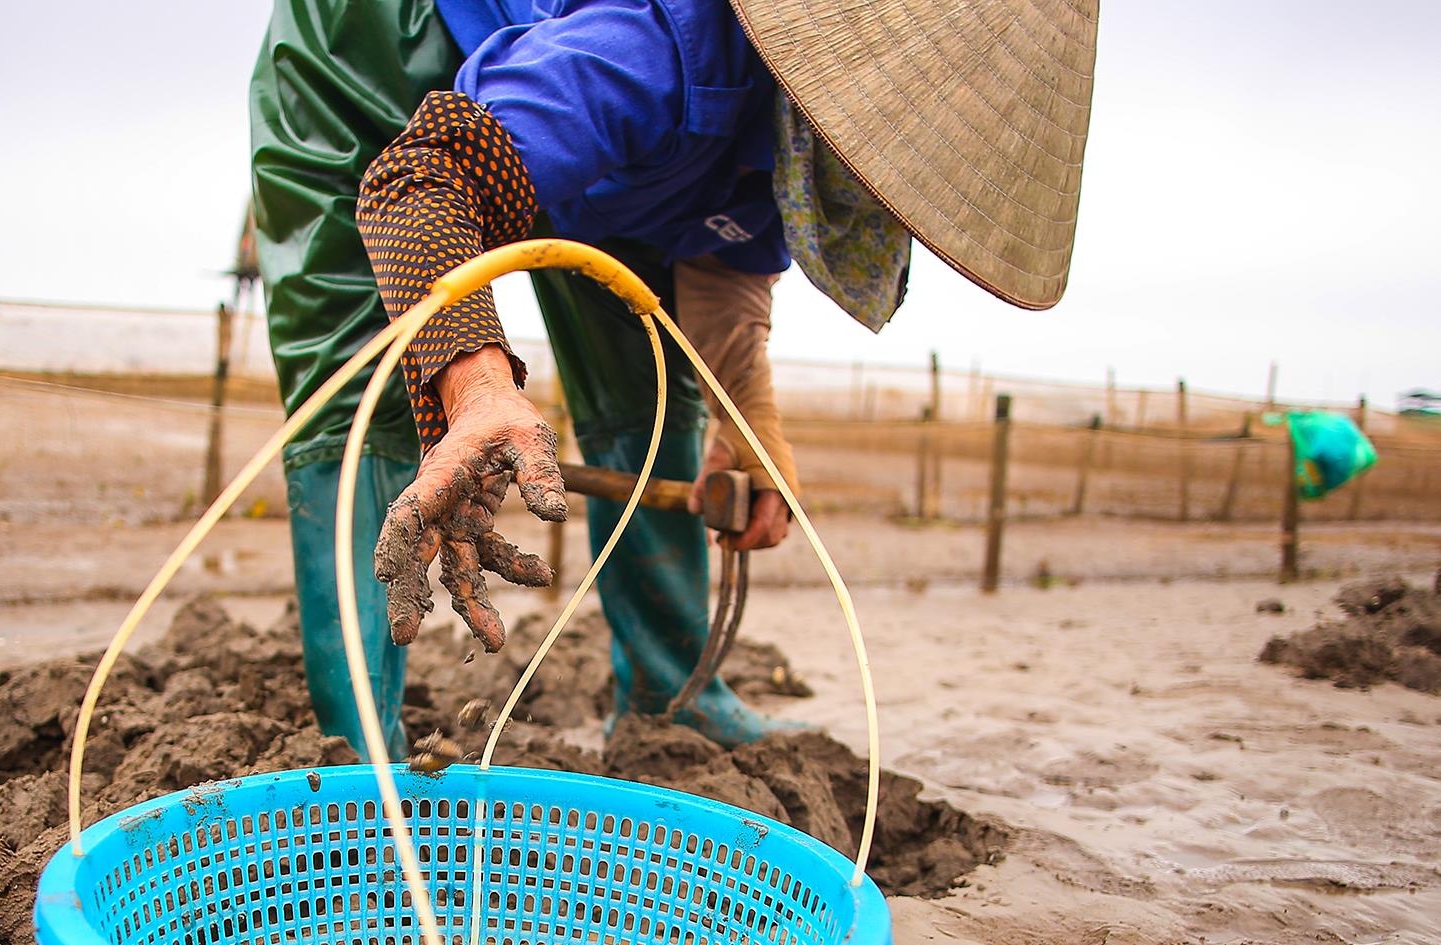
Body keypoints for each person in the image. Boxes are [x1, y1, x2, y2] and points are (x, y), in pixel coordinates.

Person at [250, 0, 1097, 755]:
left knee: (652, 391)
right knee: (366, 392)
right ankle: (355, 749)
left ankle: (667, 703)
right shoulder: (662, 45)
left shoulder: (798, 133)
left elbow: (727, 261)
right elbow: (420, 182)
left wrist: (751, 424)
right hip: (378, 51)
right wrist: (476, 390)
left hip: (618, 157)